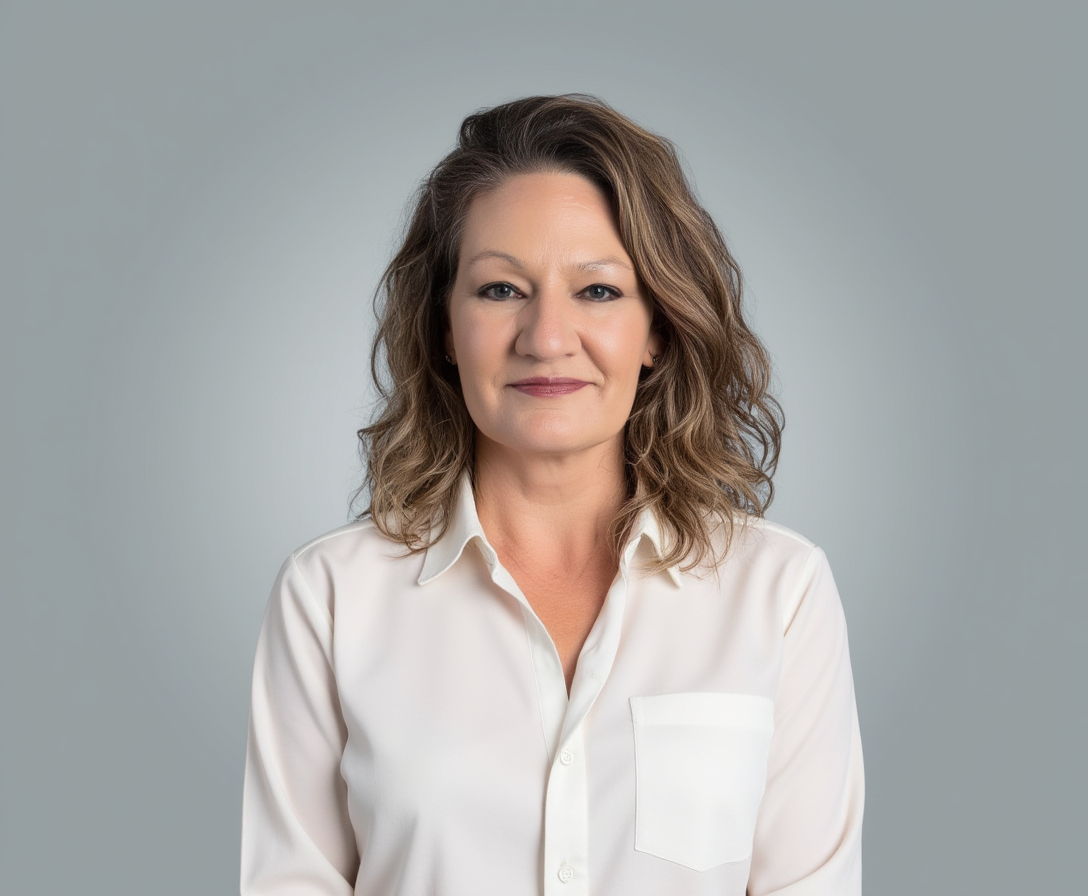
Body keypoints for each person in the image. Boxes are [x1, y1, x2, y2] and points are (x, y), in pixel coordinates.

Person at [240, 94, 863, 896]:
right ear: (444, 329)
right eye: (501, 290)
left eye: (597, 291)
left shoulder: (779, 593)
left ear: (659, 329)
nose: (546, 337)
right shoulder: (329, 598)